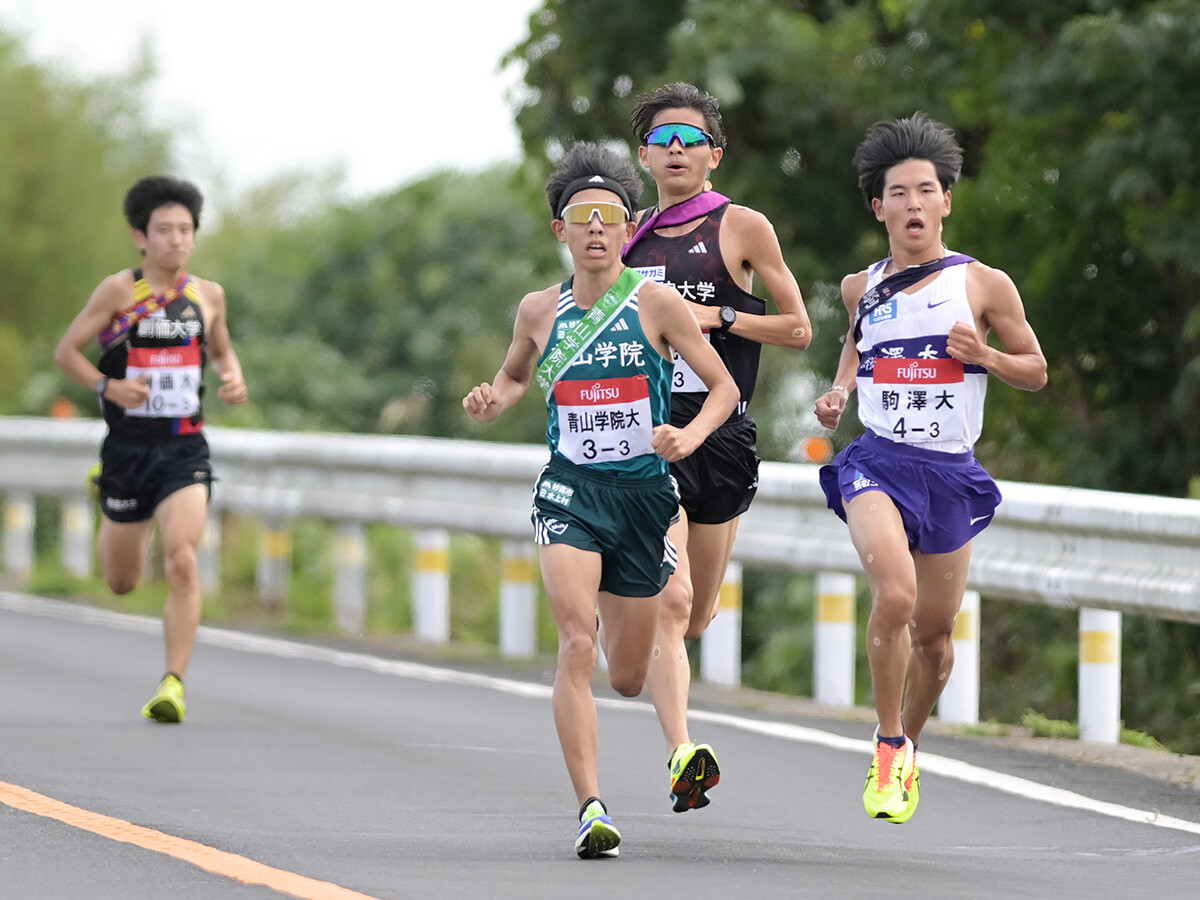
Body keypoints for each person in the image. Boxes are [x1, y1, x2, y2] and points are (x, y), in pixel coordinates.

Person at [462, 142, 738, 859]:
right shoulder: (537, 309)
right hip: (570, 492)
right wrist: (495, 399)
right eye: (579, 217)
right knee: (577, 643)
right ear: (560, 230)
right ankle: (591, 808)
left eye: (607, 217)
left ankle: (673, 748)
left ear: (627, 227)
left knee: (624, 673)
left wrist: (689, 434)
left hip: (643, 496)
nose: (593, 229)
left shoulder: (656, 303)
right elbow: (515, 377)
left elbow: (724, 390)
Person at [814, 112, 1047, 823]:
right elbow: (857, 349)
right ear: (877, 206)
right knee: (894, 596)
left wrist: (986, 358)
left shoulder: (982, 285)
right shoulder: (862, 287)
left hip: (948, 471)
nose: (913, 204)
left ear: (946, 200)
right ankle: (886, 747)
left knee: (935, 640)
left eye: (926, 190)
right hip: (877, 461)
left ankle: (908, 748)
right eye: (899, 192)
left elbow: (1035, 371)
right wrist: (840, 392)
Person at [623, 82, 812, 812]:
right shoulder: (626, 232)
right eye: (662, 141)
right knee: (672, 601)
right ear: (644, 155)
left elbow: (797, 327)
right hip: (647, 433)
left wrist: (719, 317)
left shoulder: (741, 227)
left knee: (695, 613)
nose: (676, 151)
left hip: (722, 429)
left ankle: (644, 631)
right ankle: (681, 753)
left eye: (689, 140)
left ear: (714, 154)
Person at [54, 175, 248, 724]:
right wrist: (105, 386)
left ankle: (173, 683)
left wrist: (232, 377)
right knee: (121, 582)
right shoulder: (120, 291)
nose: (176, 241)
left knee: (183, 557)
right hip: (126, 450)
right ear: (140, 236)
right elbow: (66, 351)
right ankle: (105, 492)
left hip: (184, 449)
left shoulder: (207, 296)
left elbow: (224, 353)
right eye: (164, 230)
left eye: (185, 230)